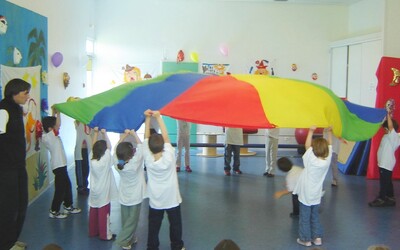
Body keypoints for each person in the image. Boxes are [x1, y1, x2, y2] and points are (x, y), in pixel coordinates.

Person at [143, 109, 185, 250]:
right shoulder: (169, 157)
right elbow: (166, 138)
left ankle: (152, 247)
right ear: (163, 147)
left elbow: (145, 139)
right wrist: (158, 117)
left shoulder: (148, 159)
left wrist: (147, 119)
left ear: (149, 147)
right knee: (175, 224)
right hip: (172, 198)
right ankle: (177, 246)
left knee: (153, 226)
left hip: (156, 201)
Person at [0, 79, 31, 250]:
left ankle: (11, 239)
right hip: (6, 170)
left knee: (21, 204)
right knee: (8, 208)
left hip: (18, 167)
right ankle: (5, 244)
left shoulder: (15, 109)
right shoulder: (3, 109)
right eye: (25, 92)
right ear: (14, 93)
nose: (28, 96)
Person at [293, 126, 332, 247]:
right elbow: (329, 145)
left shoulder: (311, 160)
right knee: (314, 215)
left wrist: (310, 131)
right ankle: (317, 237)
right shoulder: (327, 159)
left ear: (314, 150)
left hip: (306, 193)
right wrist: (329, 132)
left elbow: (306, 146)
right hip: (316, 193)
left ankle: (306, 239)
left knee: (305, 216)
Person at [41, 107, 81, 219]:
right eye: (55, 126)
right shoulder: (49, 137)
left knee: (67, 185)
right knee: (60, 188)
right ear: (50, 128)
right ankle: (54, 210)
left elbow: (56, 124)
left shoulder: (51, 135)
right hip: (58, 166)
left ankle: (68, 205)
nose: (58, 127)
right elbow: (58, 124)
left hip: (61, 166)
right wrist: (58, 113)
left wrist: (54, 113)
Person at [114, 129, 146, 250]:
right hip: (134, 198)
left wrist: (123, 136)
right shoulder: (134, 164)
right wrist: (133, 134)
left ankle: (130, 239)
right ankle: (122, 240)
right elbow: (142, 148)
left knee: (126, 219)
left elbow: (115, 150)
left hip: (124, 197)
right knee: (132, 222)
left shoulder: (118, 164)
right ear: (130, 155)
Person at [88, 127, 117, 241]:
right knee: (103, 212)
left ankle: (93, 231)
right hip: (104, 191)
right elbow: (109, 146)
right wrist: (104, 134)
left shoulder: (92, 158)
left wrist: (95, 133)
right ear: (104, 151)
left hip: (94, 190)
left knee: (94, 209)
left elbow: (93, 146)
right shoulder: (105, 159)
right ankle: (105, 235)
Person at [369, 109, 400, 207]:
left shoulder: (394, 136)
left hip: (386, 163)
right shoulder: (390, 136)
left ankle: (381, 198)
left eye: (386, 129)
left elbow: (390, 127)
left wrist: (388, 114)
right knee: (388, 181)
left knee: (384, 182)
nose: (385, 130)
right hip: (384, 163)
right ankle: (390, 197)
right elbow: (387, 126)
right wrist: (387, 116)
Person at [74, 120, 91, 195]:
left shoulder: (90, 123)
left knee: (86, 169)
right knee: (80, 169)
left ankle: (85, 185)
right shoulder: (78, 122)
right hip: (80, 150)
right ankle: (80, 187)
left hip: (88, 150)